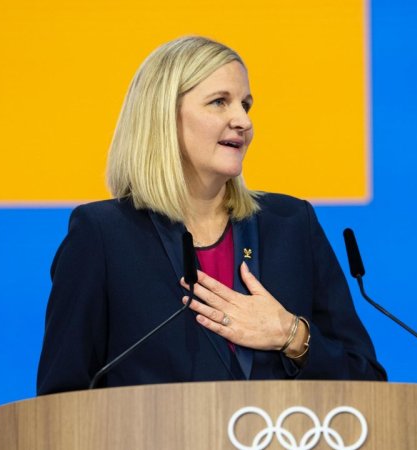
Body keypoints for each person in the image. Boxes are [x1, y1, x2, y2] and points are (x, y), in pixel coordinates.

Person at [36, 36, 387, 395]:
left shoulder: (291, 224)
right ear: (164, 116)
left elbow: (369, 384)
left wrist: (291, 335)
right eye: (220, 102)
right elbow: (61, 400)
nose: (243, 121)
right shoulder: (103, 235)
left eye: (245, 105)